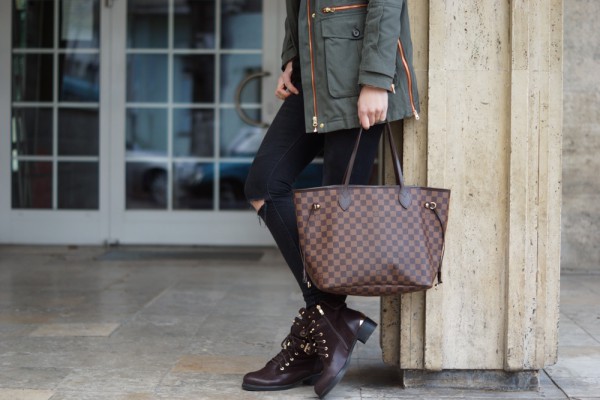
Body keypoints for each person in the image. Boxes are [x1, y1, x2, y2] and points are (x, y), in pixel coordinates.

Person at [242, 0, 419, 398]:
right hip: (313, 68)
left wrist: (376, 77)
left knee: (336, 216)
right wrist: (292, 55)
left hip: (359, 72)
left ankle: (315, 338)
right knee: (264, 184)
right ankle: (331, 318)